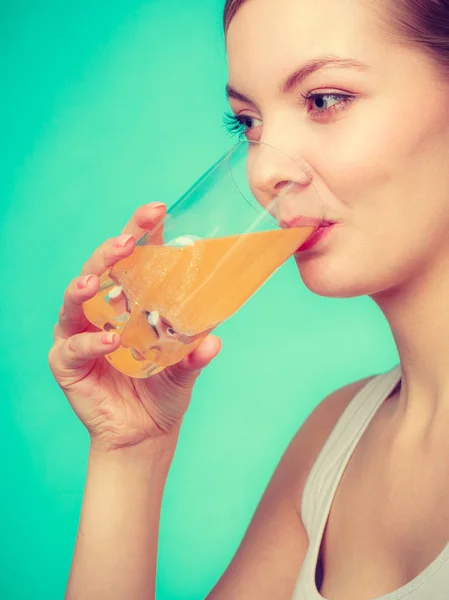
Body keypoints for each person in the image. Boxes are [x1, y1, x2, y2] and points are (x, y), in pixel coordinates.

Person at [48, 0, 449, 598]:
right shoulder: (333, 440)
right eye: (249, 123)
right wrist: (130, 454)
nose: (263, 168)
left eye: (324, 99)